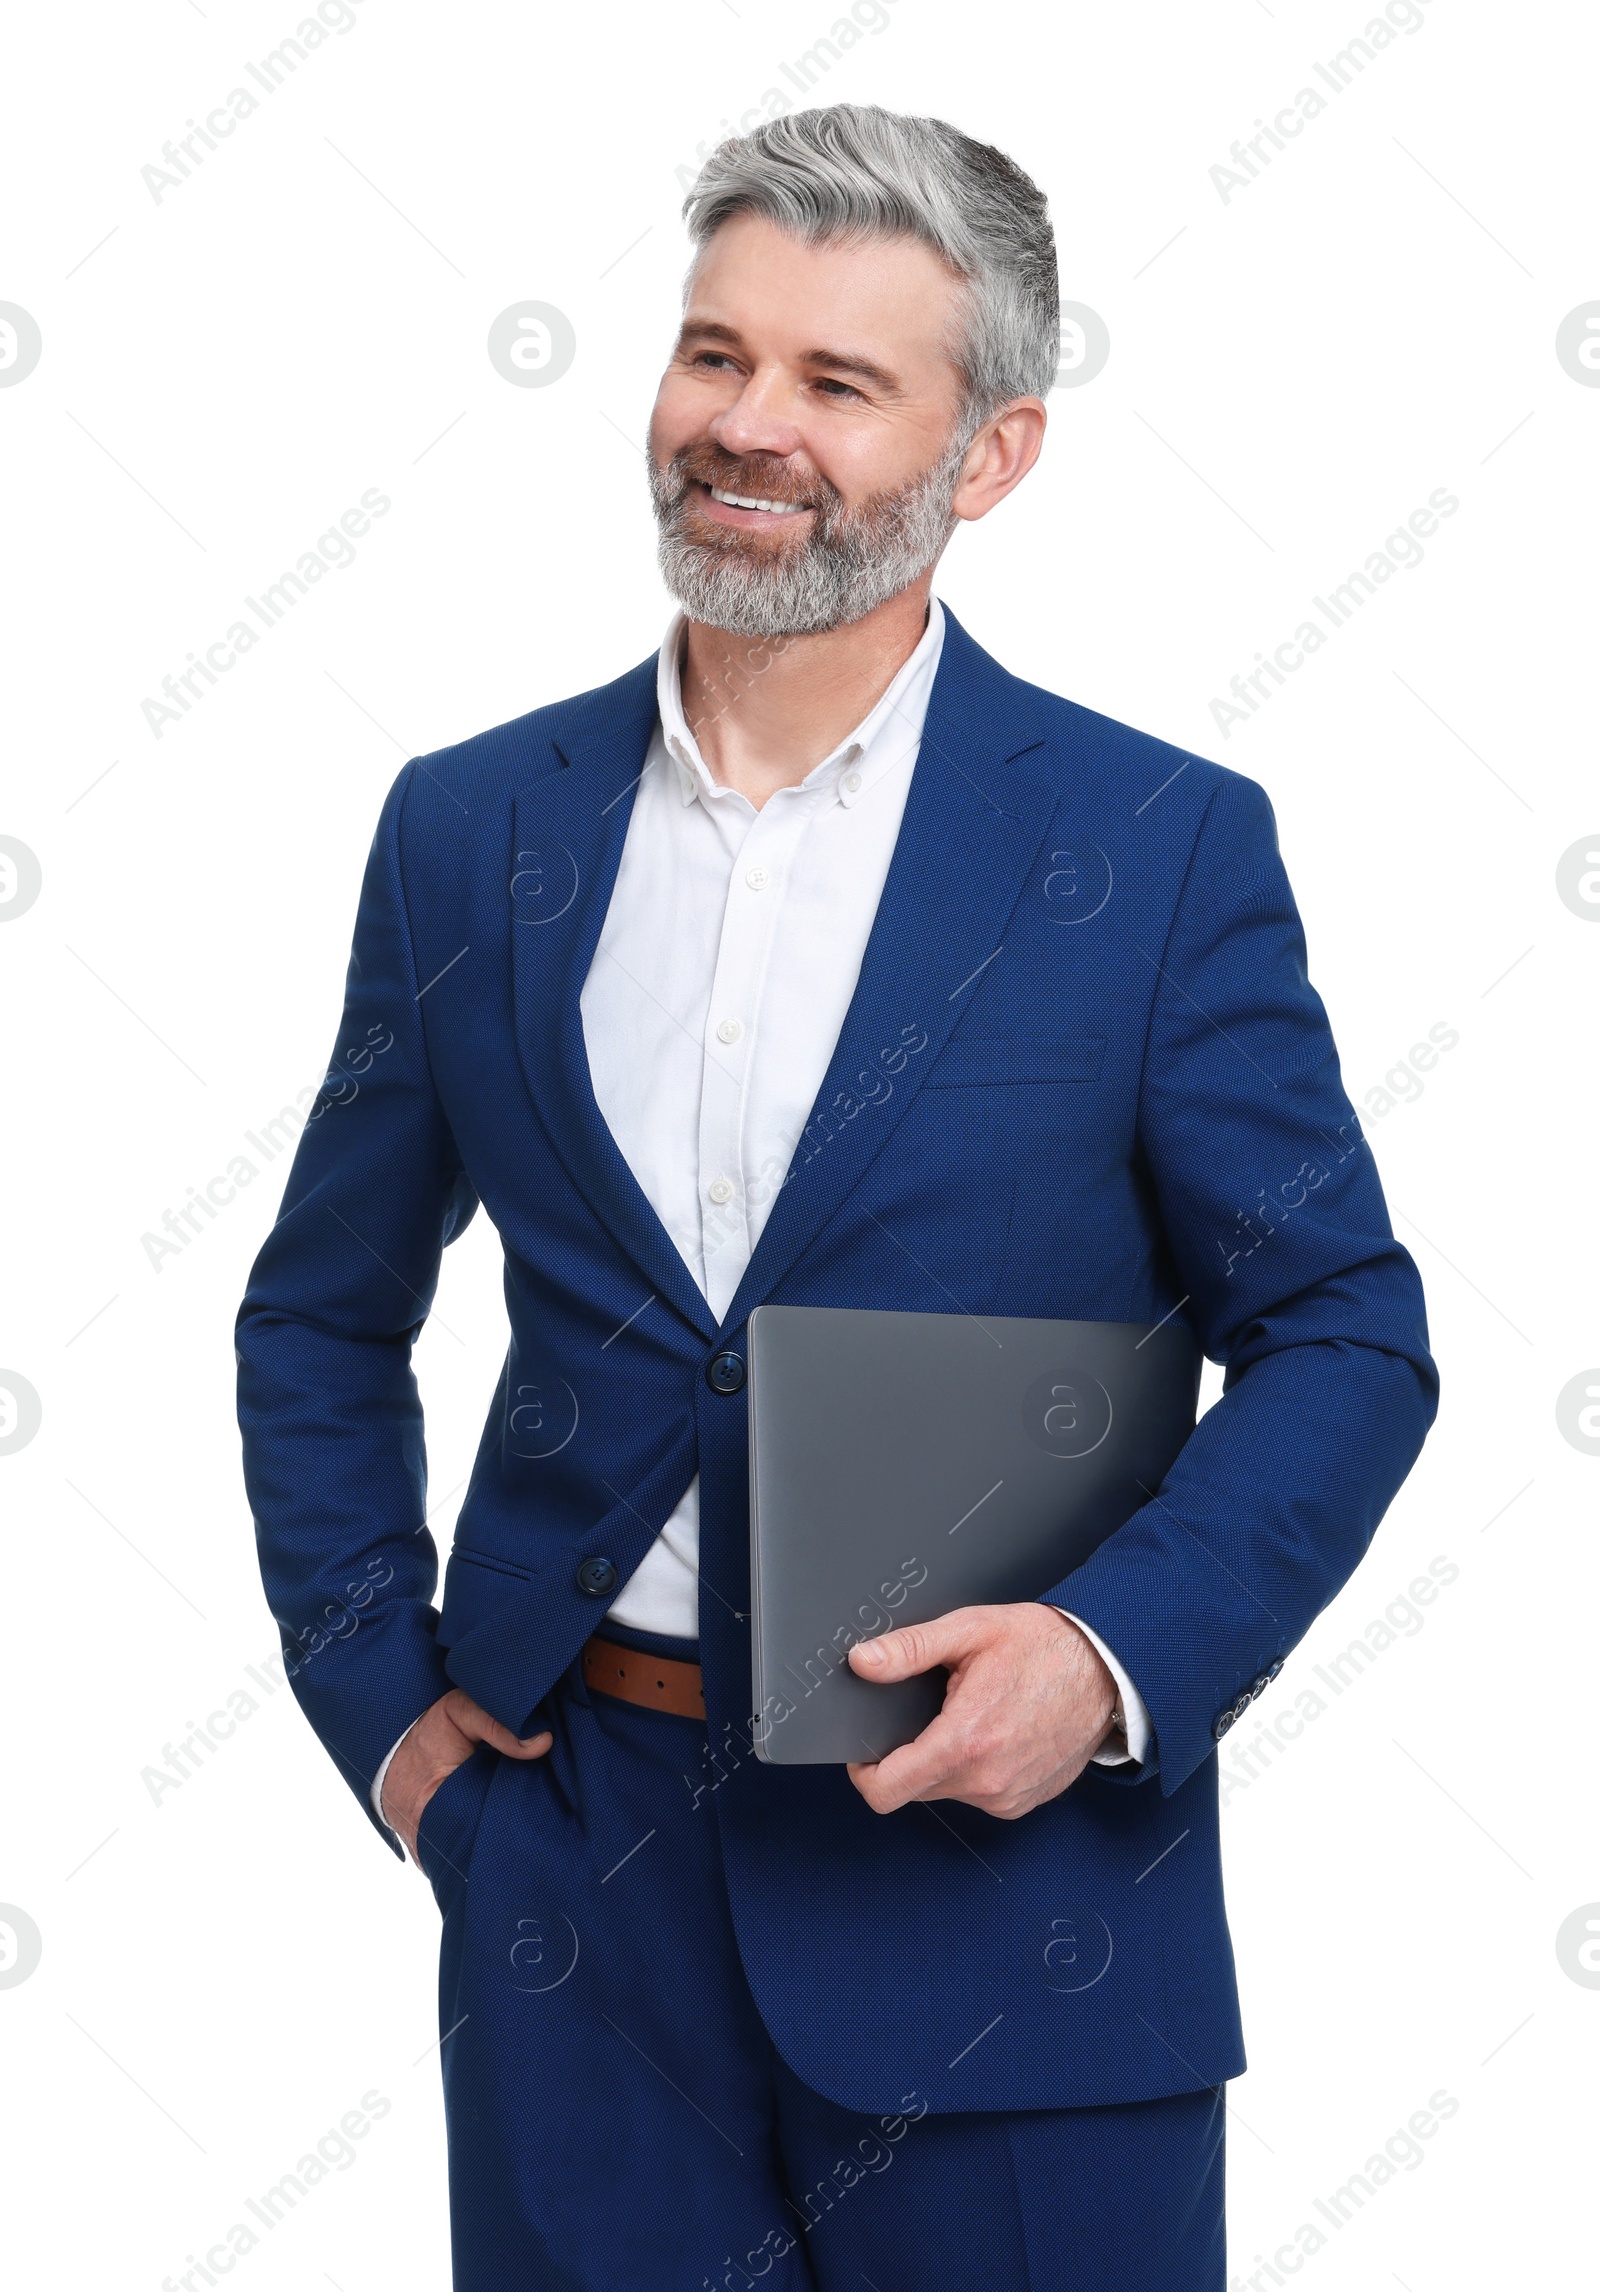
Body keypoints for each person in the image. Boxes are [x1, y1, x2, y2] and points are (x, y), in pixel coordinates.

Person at [236, 102, 1437, 2291]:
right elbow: (320, 1312)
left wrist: (1105, 1655)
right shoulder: (465, 828)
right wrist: (391, 1731)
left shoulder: (1156, 852)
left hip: (1007, 1895)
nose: (744, 427)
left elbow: (1343, 1335)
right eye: (715, 354)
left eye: (835, 382)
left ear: (988, 458)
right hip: (565, 1880)